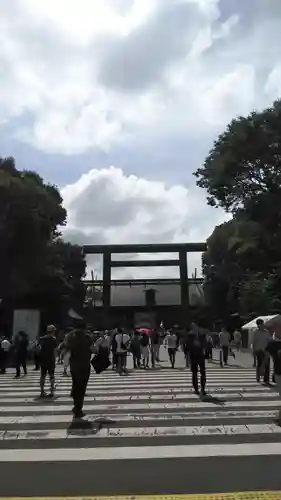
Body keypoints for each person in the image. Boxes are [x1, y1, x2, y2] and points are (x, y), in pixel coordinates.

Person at [65, 322, 93, 418]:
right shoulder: (87, 338)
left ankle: (75, 401)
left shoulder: (70, 338)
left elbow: (64, 350)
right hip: (85, 365)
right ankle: (78, 409)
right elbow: (93, 349)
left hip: (74, 365)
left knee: (76, 384)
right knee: (82, 387)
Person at [263, 329, 281, 423]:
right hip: (279, 372)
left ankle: (279, 416)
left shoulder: (272, 344)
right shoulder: (272, 344)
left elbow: (266, 357)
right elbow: (266, 356)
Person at [187, 323, 206, 396]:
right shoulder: (190, 335)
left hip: (201, 356)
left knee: (203, 373)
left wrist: (201, 345)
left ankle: (203, 389)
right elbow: (187, 346)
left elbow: (205, 344)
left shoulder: (202, 335)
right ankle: (196, 389)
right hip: (193, 356)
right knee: (194, 373)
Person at [38, 325, 57, 397]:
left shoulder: (41, 339)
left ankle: (42, 391)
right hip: (51, 360)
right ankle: (52, 391)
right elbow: (55, 350)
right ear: (52, 331)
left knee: (42, 376)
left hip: (43, 360)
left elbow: (38, 348)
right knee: (51, 376)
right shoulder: (53, 339)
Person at [253, 318, 272, 383]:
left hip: (266, 350)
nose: (261, 325)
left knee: (267, 365)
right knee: (259, 364)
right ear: (257, 325)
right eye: (259, 324)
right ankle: (258, 377)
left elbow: (270, 341)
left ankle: (266, 379)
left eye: (261, 324)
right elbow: (253, 342)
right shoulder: (255, 332)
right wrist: (253, 351)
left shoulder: (266, 332)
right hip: (258, 350)